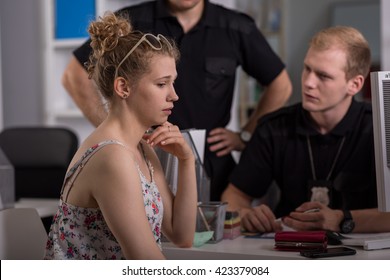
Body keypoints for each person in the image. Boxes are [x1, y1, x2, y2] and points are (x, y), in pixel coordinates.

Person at [62, 0, 292, 201]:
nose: (173, 95)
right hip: (149, 155)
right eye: (162, 84)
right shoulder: (132, 20)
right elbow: (74, 76)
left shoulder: (237, 26)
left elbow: (281, 85)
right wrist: (120, 132)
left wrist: (245, 135)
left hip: (211, 162)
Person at [44, 12, 197, 260]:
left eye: (173, 83)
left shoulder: (141, 148)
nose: (174, 95)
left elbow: (182, 236)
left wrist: (187, 161)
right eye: (162, 84)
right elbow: (146, 262)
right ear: (123, 87)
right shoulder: (112, 157)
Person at [221, 26, 385, 234]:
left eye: (323, 76)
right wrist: (245, 215)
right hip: (286, 248)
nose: (308, 83)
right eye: (307, 69)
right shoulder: (274, 127)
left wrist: (341, 220)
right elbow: (234, 196)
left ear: (355, 84)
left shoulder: (379, 129)